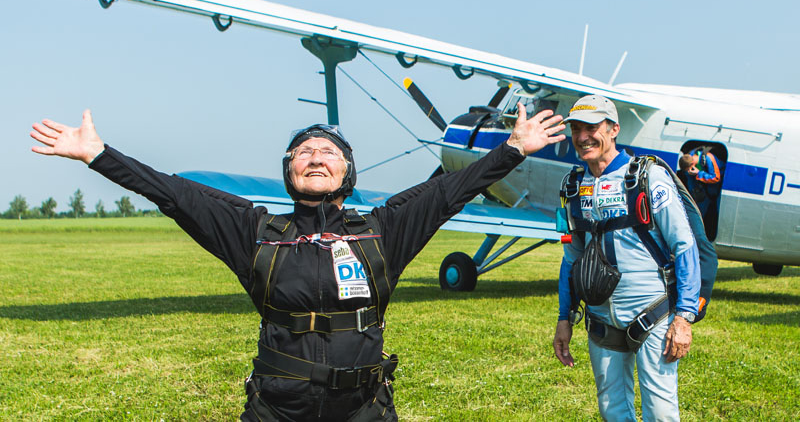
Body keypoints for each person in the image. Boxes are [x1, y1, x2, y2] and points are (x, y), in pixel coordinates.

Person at [31, 105, 565, 422]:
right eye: (303, 152)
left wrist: (513, 151)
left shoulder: (383, 229)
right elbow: (175, 195)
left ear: (347, 172)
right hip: (277, 405)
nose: (314, 156)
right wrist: (99, 155)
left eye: (327, 152)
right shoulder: (253, 232)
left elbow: (451, 191)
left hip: (363, 406)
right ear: (289, 172)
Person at [552, 95, 701, 422]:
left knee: (661, 414)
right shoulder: (573, 187)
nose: (582, 137)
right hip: (600, 320)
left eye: (592, 127)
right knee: (612, 410)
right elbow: (570, 260)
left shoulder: (647, 178)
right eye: (576, 129)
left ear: (614, 128)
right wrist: (565, 318)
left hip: (653, 316)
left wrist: (684, 317)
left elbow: (684, 245)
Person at [678, 148, 722, 221]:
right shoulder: (689, 159)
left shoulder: (708, 158)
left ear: (692, 164)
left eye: (688, 169)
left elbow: (716, 178)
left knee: (718, 211)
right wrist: (693, 192)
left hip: (717, 187)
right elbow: (690, 179)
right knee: (698, 213)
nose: (689, 171)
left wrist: (699, 173)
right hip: (704, 189)